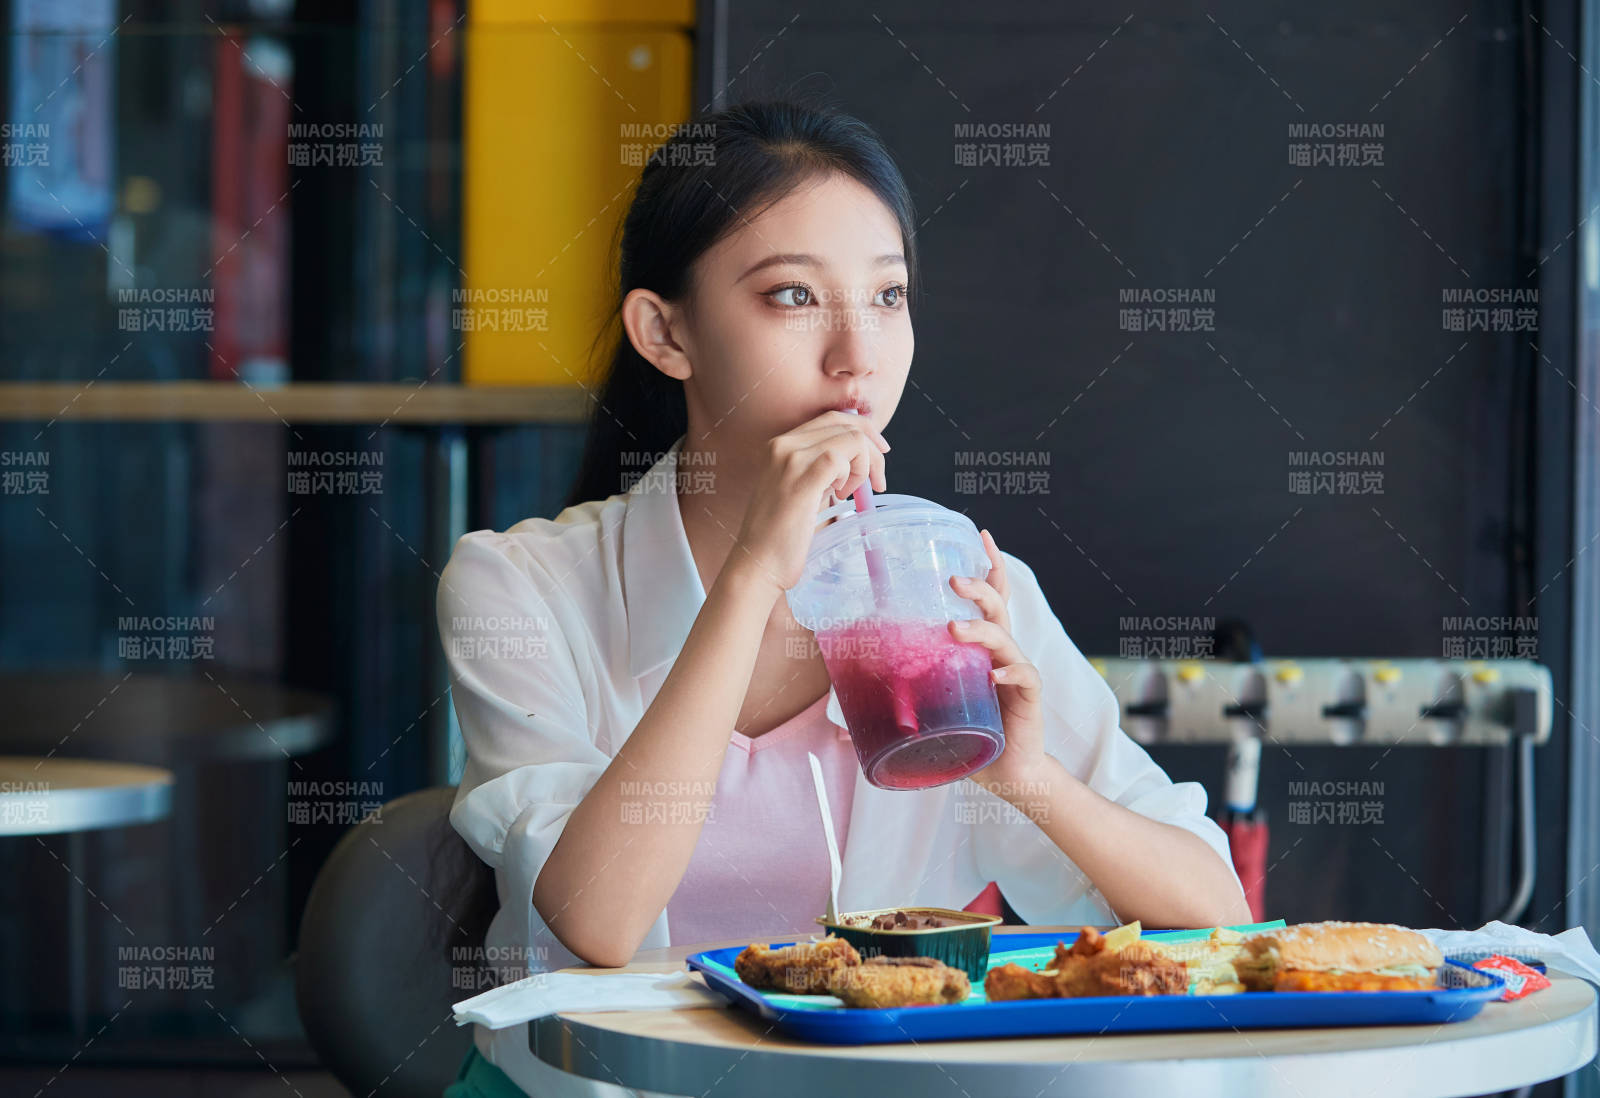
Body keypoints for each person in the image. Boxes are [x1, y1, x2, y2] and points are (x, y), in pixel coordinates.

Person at [438, 98, 1250, 1097]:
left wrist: (1028, 777)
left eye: (888, 297)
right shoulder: (515, 587)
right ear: (664, 332)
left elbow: (1216, 915)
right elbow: (595, 923)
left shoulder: (964, 586)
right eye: (791, 298)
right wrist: (750, 580)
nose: (856, 355)